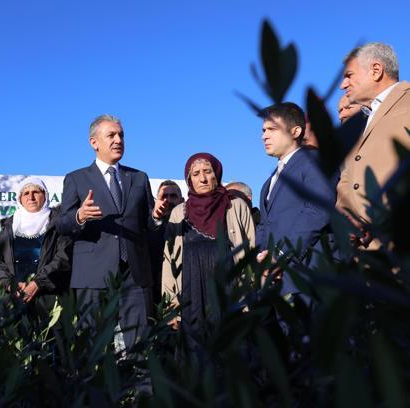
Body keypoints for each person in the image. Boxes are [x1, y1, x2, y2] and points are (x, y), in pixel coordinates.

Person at [57, 114, 168, 385]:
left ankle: (142, 398)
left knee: (140, 345)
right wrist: (80, 217)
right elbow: (61, 224)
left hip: (135, 274)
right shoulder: (76, 179)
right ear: (94, 142)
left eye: (121, 135)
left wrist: (156, 216)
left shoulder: (139, 178)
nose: (119, 140)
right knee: (93, 345)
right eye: (112, 136)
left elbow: (148, 224)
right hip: (93, 276)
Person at [161, 153, 255, 347]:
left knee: (233, 343)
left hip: (228, 285)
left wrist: (250, 292)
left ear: (217, 174)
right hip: (190, 288)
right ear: (189, 180)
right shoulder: (180, 212)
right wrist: (170, 305)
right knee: (195, 348)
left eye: (207, 171)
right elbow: (169, 260)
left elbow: (251, 249)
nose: (202, 178)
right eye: (195, 174)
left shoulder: (235, 206)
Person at [256, 102, 336, 298]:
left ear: (295, 131)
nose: (264, 136)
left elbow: (317, 211)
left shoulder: (314, 161)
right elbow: (265, 224)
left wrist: (281, 255)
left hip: (306, 275)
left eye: (272, 129)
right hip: (275, 281)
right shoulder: (269, 181)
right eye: (263, 130)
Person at [336, 42, 410, 249]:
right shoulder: (361, 120)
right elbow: (347, 176)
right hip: (364, 251)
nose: (343, 85)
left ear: (376, 70)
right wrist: (346, 216)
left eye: (349, 75)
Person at [0, 177, 72, 354]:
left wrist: (37, 283)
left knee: (53, 353)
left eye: (36, 191)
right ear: (19, 199)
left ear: (45, 196)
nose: (31, 197)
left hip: (50, 298)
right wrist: (10, 284)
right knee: (14, 354)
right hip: (15, 298)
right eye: (26, 193)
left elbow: (63, 258)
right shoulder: (9, 225)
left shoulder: (59, 222)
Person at [148, 180, 184, 305]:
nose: (168, 200)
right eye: (164, 196)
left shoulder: (191, 227)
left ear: (182, 200)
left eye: (173, 196)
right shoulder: (148, 227)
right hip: (153, 294)